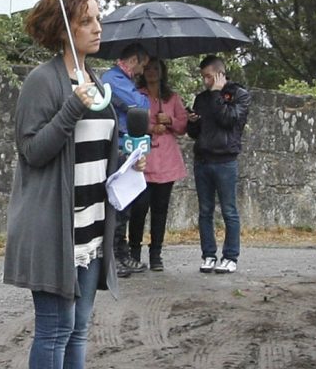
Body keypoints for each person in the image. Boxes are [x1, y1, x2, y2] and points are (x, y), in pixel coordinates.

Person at [4, 0, 124, 369]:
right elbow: (32, 151)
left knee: (77, 336)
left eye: (99, 18)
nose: (99, 27)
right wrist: (72, 108)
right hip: (56, 231)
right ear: (64, 28)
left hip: (92, 226)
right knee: (54, 335)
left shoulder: (95, 80)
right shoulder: (44, 82)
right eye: (88, 20)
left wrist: (128, 154)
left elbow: (93, 151)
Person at [188, 55, 250, 275]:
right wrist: (192, 122)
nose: (205, 81)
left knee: (229, 210)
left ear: (219, 74)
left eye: (208, 76)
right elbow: (196, 133)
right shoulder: (201, 98)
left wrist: (217, 94)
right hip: (203, 160)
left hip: (225, 161)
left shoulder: (239, 95)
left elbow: (229, 120)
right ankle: (209, 255)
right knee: (205, 211)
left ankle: (230, 256)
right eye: (203, 77)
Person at [126, 55, 188, 273]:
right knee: (139, 208)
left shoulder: (172, 98)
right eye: (148, 68)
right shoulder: (137, 95)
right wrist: (151, 128)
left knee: (160, 210)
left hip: (167, 162)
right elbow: (130, 120)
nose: (151, 71)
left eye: (156, 68)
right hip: (143, 160)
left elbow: (183, 125)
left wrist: (169, 121)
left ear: (162, 72)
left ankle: (156, 254)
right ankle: (134, 252)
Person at [100, 42, 152, 274]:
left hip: (127, 148)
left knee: (126, 205)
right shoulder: (112, 79)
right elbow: (139, 106)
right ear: (133, 61)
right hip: (117, 149)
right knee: (117, 205)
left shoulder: (124, 81)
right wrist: (141, 100)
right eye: (142, 66)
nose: (142, 72)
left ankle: (121, 253)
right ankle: (113, 257)